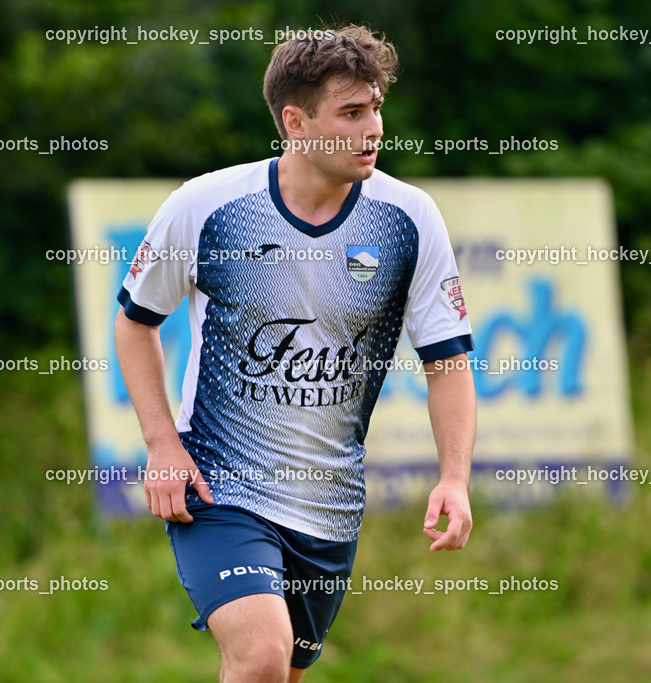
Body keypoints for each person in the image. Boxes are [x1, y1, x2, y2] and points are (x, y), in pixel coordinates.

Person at [114, 24, 476, 683]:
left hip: (329, 502)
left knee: (278, 674)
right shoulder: (208, 207)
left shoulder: (409, 217)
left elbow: (446, 360)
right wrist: (162, 442)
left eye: (376, 108)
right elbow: (135, 322)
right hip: (220, 484)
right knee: (259, 657)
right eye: (352, 112)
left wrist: (454, 475)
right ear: (295, 121)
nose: (375, 128)